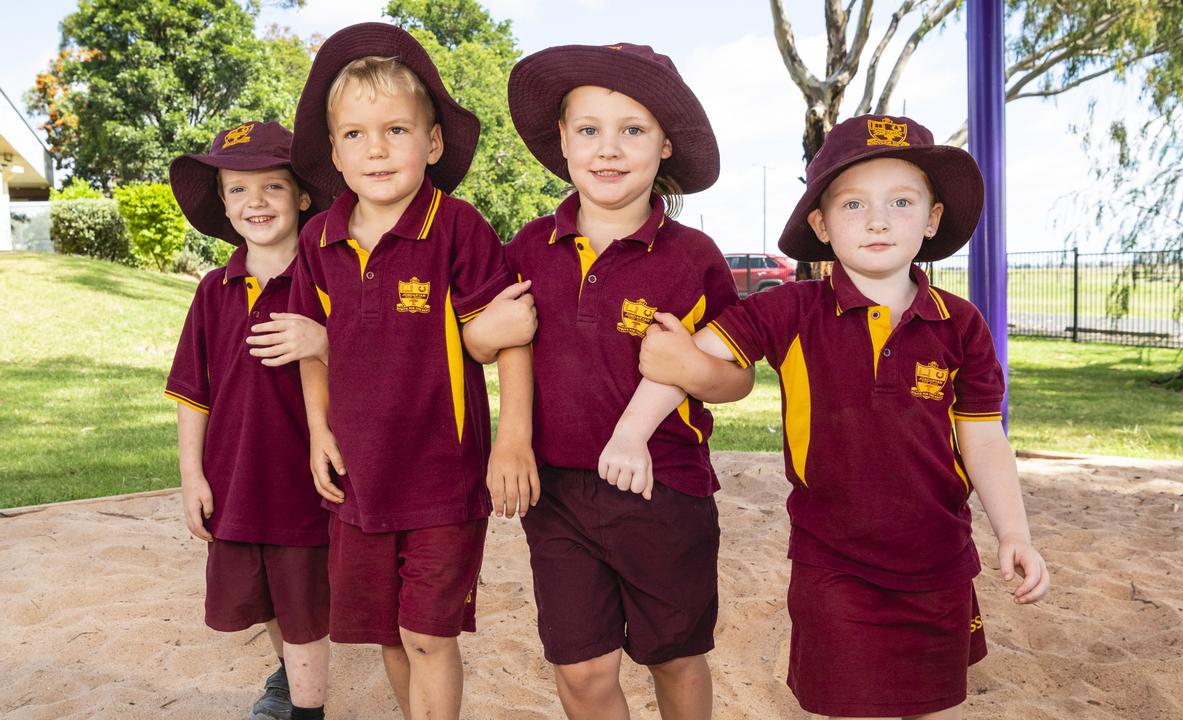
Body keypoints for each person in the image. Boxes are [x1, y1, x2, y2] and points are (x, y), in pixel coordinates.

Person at [634, 115, 1051, 719]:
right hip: (833, 564)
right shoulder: (790, 310)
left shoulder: (961, 324)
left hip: (938, 563)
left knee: (926, 706)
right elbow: (691, 359)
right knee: (849, 706)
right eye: (854, 203)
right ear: (822, 225)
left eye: (901, 201)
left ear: (932, 219)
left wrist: (1015, 534)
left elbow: (983, 436)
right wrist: (632, 433)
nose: (878, 219)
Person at [464, 42, 749, 720]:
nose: (609, 149)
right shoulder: (528, 247)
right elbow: (490, 340)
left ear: (666, 145)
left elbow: (735, 379)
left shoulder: (694, 259)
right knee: (581, 668)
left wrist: (694, 370)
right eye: (589, 129)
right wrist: (482, 341)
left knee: (673, 656)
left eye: (633, 130)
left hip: (666, 487)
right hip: (556, 492)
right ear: (562, 140)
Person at [284, 23, 536, 720]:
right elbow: (311, 345)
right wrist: (316, 432)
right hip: (359, 475)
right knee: (389, 636)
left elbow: (511, 333)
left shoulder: (458, 227)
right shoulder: (318, 240)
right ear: (334, 151)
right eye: (357, 135)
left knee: (428, 633)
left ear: (431, 144)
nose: (376, 149)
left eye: (396, 130)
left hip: (443, 475)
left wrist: (512, 441)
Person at [166, 120, 333, 720]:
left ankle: (308, 710)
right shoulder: (215, 290)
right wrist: (192, 478)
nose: (255, 202)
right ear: (224, 203)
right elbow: (193, 393)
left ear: (304, 196)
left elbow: (373, 366)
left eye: (272, 187)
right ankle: (290, 676)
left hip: (305, 481)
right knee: (261, 597)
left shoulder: (330, 281)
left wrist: (324, 339)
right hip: (235, 476)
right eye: (238, 189)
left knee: (304, 603)